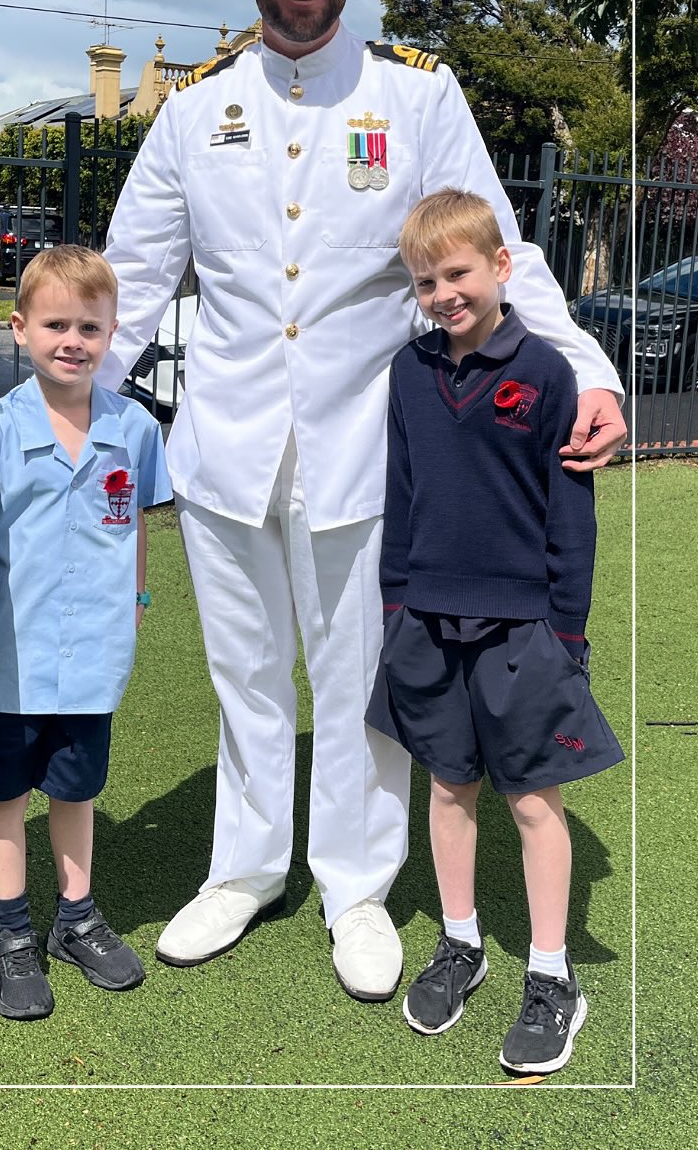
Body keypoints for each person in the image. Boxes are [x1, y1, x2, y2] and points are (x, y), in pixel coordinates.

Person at [94, 0, 626, 1002]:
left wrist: (588, 367)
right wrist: (60, 413)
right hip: (229, 444)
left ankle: (356, 886)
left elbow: (496, 250)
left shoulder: (417, 93)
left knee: (359, 682)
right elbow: (131, 279)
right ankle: (242, 870)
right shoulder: (196, 113)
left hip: (371, 449)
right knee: (245, 677)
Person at [365, 188, 624, 1073]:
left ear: (501, 267)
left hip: (526, 629)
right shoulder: (408, 371)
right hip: (426, 620)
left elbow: (569, 515)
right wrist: (396, 606)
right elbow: (399, 499)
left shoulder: (549, 374)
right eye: (426, 280)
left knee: (530, 800)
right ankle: (461, 943)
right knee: (447, 787)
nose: (444, 292)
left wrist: (569, 631)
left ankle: (553, 976)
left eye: (459, 272)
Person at [0, 245, 172, 1021]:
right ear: (20, 328)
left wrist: (135, 600)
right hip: (8, 652)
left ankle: (76, 918)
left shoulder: (134, 427)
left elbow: (137, 522)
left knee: (76, 790)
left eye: (89, 327)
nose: (72, 341)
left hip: (94, 653)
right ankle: (9, 934)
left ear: (112, 333)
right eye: (55, 325)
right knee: (3, 793)